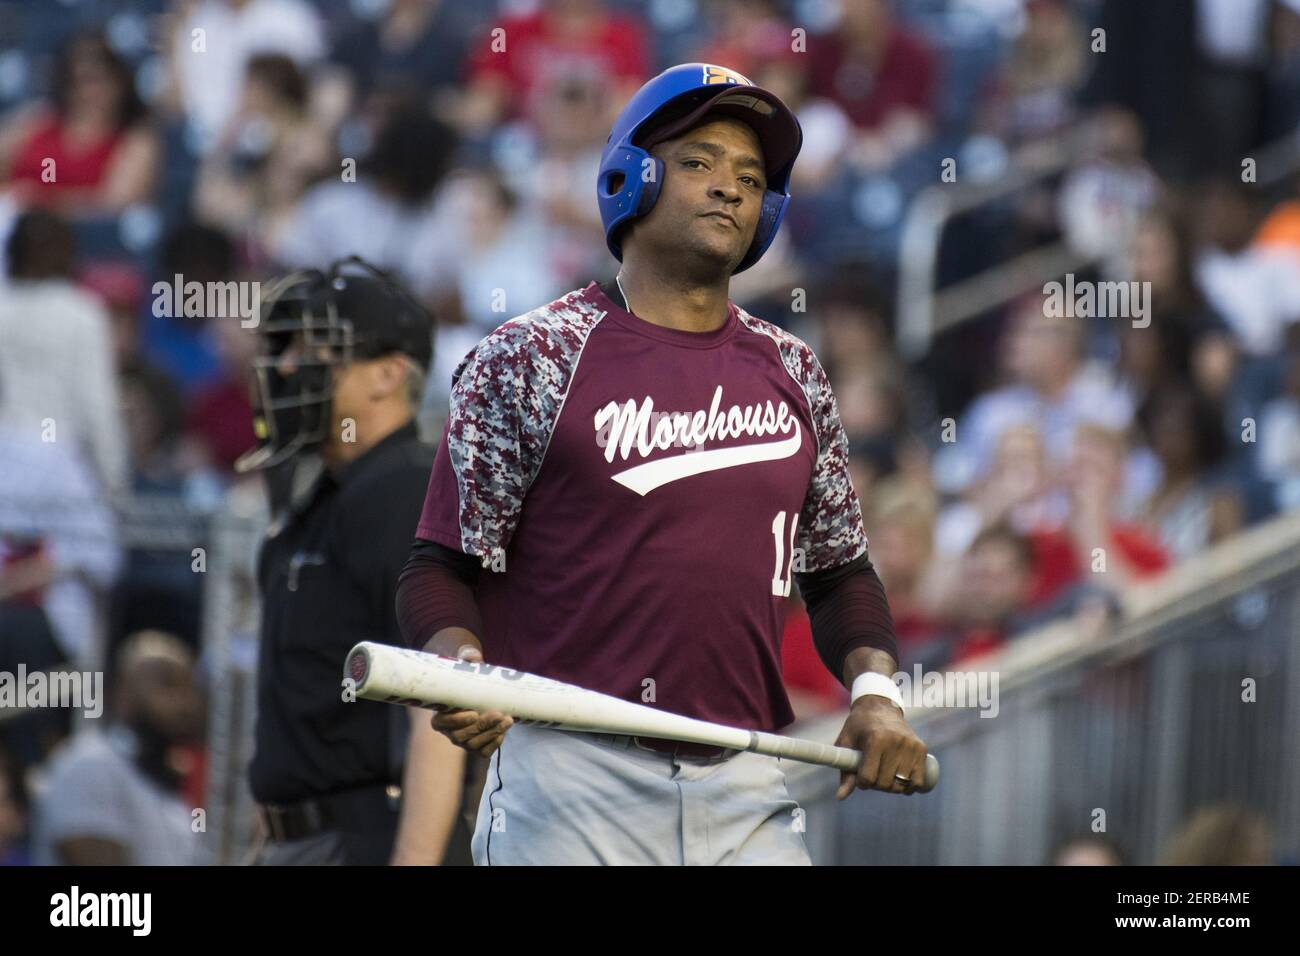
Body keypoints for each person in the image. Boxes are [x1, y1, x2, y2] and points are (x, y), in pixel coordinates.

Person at [396, 63, 928, 866]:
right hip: (573, 776)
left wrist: (878, 698)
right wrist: (461, 666)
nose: (730, 189)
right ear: (631, 176)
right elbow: (439, 566)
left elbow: (842, 575)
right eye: (700, 162)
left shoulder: (795, 368)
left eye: (751, 177)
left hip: (751, 775)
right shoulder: (531, 354)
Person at [239, 258, 465, 865]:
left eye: (317, 349)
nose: (288, 366)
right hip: (302, 840)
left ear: (389, 374)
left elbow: (437, 702)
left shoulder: (404, 491)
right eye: (287, 348)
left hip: (365, 838)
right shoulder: (325, 494)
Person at [31, 631, 204, 866]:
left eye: (189, 687)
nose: (185, 702)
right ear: (123, 691)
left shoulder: (168, 787)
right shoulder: (89, 766)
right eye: (167, 684)